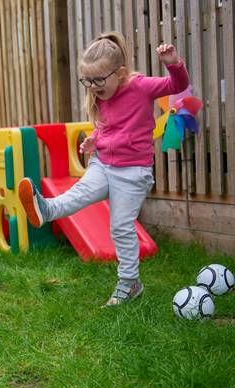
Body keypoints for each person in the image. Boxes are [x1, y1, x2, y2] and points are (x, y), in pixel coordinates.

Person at [18, 31, 189, 306]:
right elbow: (109, 127)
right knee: (79, 193)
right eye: (87, 81)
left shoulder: (140, 86)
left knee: (120, 226)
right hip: (103, 164)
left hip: (133, 172)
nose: (93, 87)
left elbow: (177, 85)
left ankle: (130, 283)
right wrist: (93, 141)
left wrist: (173, 62)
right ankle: (46, 209)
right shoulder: (101, 95)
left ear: (119, 73)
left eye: (98, 80)